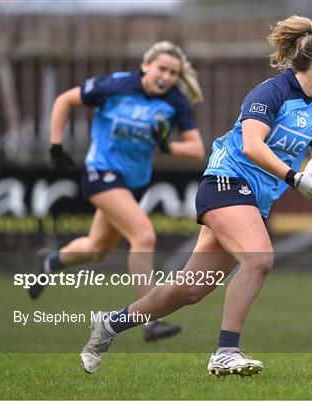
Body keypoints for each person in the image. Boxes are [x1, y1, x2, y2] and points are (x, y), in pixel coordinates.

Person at [79, 16, 312, 375]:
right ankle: (226, 351)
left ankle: (109, 324)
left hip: (250, 201)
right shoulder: (271, 93)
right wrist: (295, 178)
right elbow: (251, 146)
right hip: (225, 183)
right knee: (259, 259)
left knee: (188, 290)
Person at [28, 41, 206, 342]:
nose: (166, 77)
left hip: (134, 182)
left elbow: (197, 149)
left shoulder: (175, 101)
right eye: (162, 69)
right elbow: (63, 101)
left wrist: (168, 146)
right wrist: (55, 145)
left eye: (173, 73)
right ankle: (150, 319)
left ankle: (50, 262)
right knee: (143, 234)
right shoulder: (115, 85)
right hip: (101, 172)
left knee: (98, 249)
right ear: (146, 65)